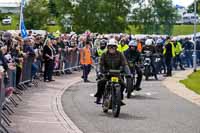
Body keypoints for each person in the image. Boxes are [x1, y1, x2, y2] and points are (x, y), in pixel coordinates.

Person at [94, 38, 131, 105]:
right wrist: (100, 72)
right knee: (101, 82)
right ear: (108, 47)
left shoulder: (120, 54)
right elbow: (100, 64)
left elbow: (125, 64)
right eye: (110, 46)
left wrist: (128, 73)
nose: (112, 48)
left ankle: (119, 99)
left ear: (116, 47)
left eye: (113, 46)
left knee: (122, 84)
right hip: (106, 73)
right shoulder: (104, 54)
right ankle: (99, 97)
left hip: (116, 73)